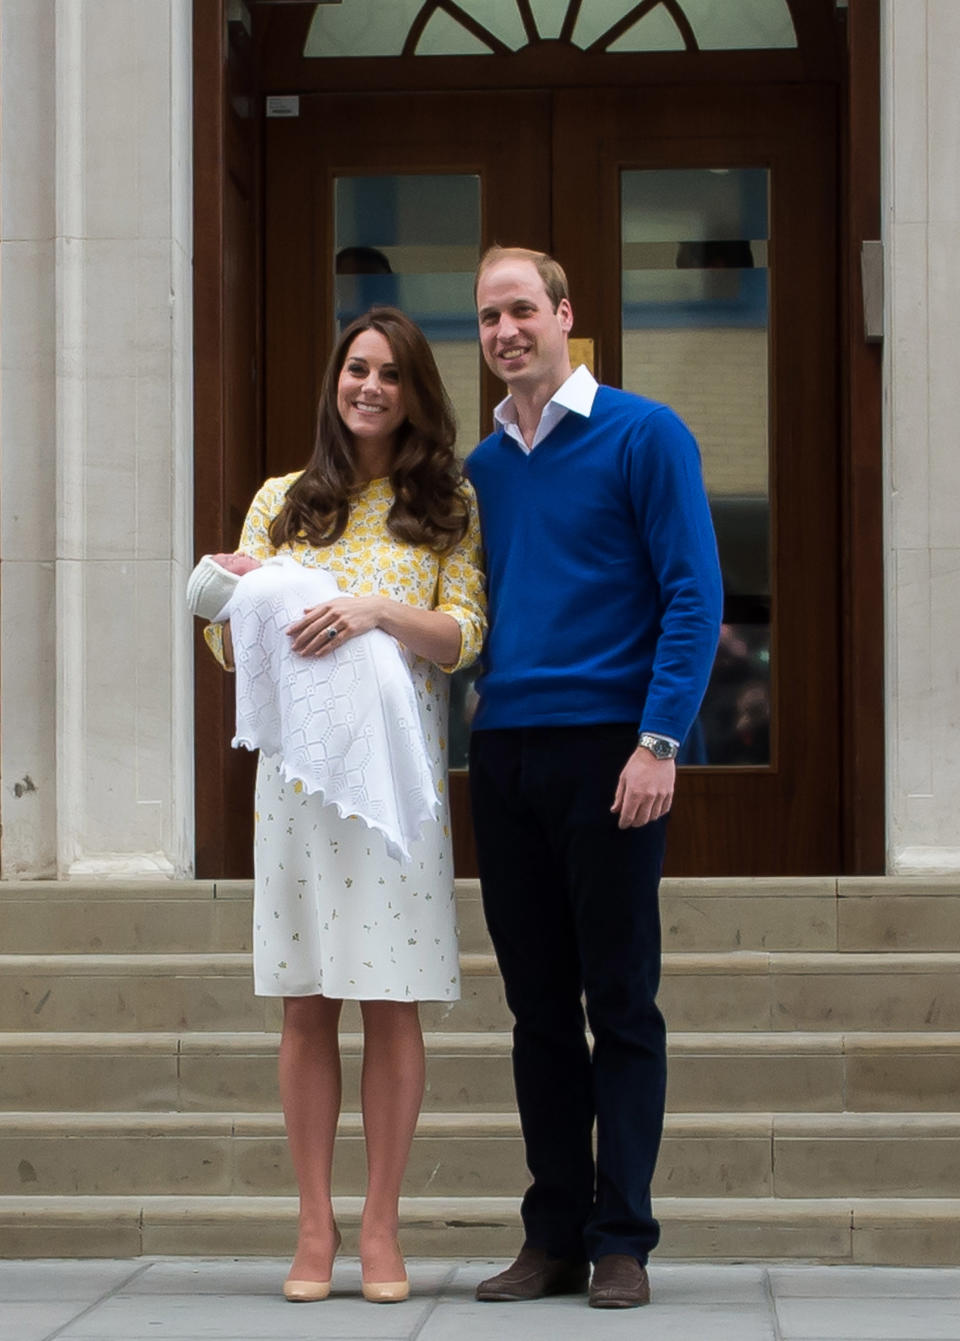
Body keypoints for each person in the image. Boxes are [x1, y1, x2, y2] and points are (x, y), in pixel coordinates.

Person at [201, 307, 485, 1304]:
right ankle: (314, 1228)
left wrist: (372, 609)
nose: (369, 387)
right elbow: (226, 646)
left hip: (398, 793)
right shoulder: (282, 501)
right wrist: (228, 593)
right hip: (299, 789)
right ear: (336, 380)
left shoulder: (447, 502)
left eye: (391, 375)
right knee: (305, 1004)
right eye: (356, 369)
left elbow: (464, 637)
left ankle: (381, 1229)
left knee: (394, 1006)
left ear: (415, 392)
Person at [465, 247, 723, 1309]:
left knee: (619, 1000)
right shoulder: (481, 466)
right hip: (506, 750)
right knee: (534, 1009)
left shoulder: (644, 433)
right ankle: (554, 1235)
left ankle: (623, 1239)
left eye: (522, 308)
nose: (505, 330)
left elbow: (695, 595)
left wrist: (659, 741)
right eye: (487, 316)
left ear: (566, 315)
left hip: (613, 751)